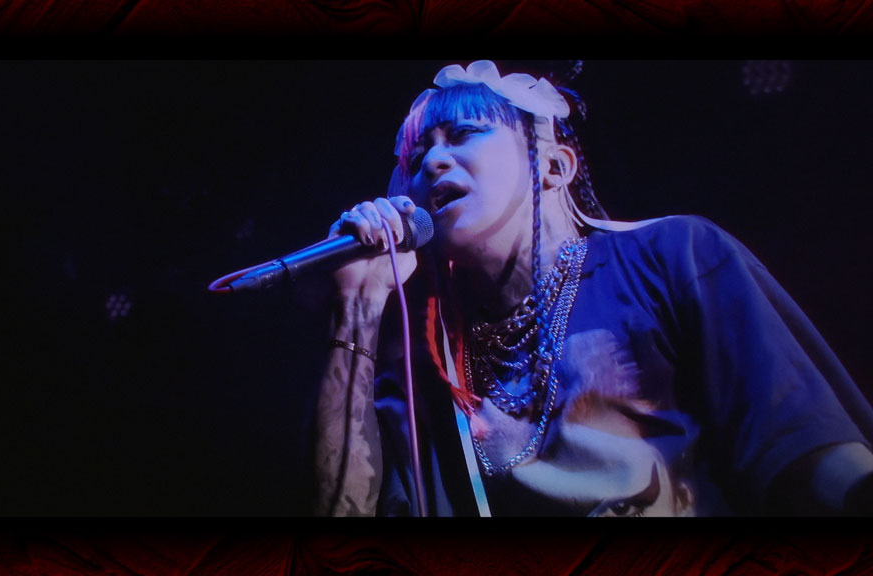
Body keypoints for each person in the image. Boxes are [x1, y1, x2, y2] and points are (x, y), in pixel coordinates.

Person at [310, 60, 873, 517]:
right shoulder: (424, 364)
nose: (433, 161)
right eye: (415, 157)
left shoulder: (673, 254)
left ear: (554, 167)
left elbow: (799, 440)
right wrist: (357, 304)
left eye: (462, 134)